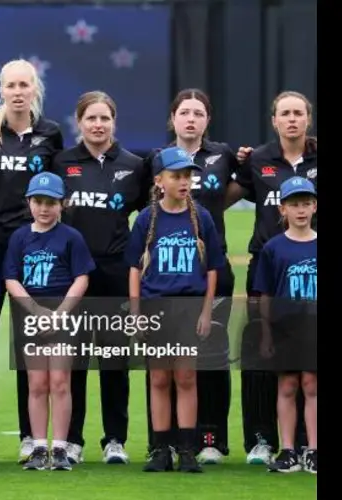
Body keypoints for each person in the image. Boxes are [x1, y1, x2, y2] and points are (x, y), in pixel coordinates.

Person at [0, 59, 64, 465]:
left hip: (32, 248)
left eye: (24, 84)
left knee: (32, 346)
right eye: (11, 85)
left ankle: (31, 436)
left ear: (35, 89)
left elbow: (56, 191)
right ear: (0, 89)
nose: (18, 91)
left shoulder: (49, 134)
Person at [142, 89, 240, 465]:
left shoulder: (223, 155)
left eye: (198, 113)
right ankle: (163, 444)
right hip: (165, 278)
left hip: (210, 273)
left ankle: (211, 437)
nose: (191, 119)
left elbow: (243, 185)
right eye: (184, 112)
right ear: (173, 118)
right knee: (165, 368)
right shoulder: (156, 159)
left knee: (211, 357)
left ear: (207, 120)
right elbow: (145, 201)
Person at [52, 90, 149, 466]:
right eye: (90, 118)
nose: (97, 125)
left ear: (114, 122)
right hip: (73, 273)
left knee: (114, 359)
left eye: (104, 118)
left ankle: (115, 439)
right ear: (79, 123)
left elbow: (145, 214)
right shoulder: (62, 162)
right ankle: (72, 438)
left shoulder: (133, 164)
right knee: (74, 360)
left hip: (115, 271)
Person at [227, 91, 317, 465]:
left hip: (311, 269)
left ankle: (307, 444)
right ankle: (264, 439)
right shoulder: (259, 159)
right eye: (285, 113)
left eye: (299, 113)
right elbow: (223, 195)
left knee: (311, 371)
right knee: (264, 356)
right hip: (268, 268)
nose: (292, 119)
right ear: (274, 121)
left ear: (308, 119)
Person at [125, 146, 225, 473]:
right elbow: (135, 270)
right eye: (176, 176)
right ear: (159, 180)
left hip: (187, 307)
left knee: (185, 377)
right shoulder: (146, 219)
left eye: (188, 176)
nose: (184, 182)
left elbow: (212, 269)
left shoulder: (202, 218)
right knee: (158, 377)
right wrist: (137, 314)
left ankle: (186, 449)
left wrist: (206, 311)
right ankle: (161, 449)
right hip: (156, 308)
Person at [4, 172, 95, 471]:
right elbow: (11, 278)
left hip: (62, 314)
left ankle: (60, 447)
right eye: (38, 202)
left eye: (51, 203)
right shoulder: (20, 237)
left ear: (62, 204)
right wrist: (34, 310)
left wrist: (60, 314)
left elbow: (82, 277)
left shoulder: (71, 236)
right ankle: (39, 446)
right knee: (37, 383)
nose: (44, 209)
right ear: (29, 202)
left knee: (60, 382)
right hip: (32, 315)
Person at [252, 177, 317, 474]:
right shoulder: (274, 248)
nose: (300, 210)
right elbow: (265, 294)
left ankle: (313, 450)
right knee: (288, 385)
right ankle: (288, 449)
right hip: (285, 327)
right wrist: (266, 333)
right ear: (283, 209)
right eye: (294, 205)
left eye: (306, 204)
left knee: (312, 384)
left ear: (314, 206)